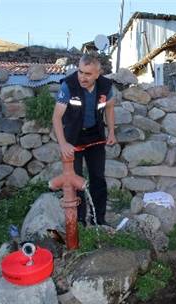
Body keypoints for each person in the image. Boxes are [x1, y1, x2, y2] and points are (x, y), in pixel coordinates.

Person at [52, 54, 116, 226]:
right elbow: (56, 117)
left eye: (88, 74)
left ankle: (98, 221)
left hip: (95, 137)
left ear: (97, 74)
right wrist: (63, 143)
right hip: (73, 138)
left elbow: (109, 108)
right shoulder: (69, 85)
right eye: (80, 72)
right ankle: (79, 221)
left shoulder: (105, 86)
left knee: (98, 179)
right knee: (75, 180)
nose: (82, 77)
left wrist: (111, 132)